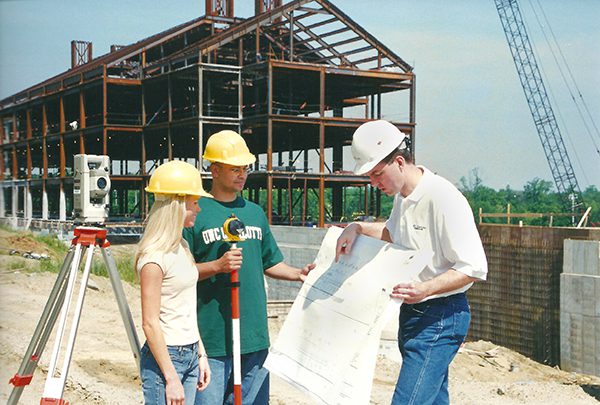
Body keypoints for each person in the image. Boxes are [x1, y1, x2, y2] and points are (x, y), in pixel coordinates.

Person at [335, 120, 488, 405]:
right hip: (414, 313)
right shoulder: (403, 199)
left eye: (377, 174)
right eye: (369, 176)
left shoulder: (442, 198)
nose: (374, 183)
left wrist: (427, 288)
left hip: (442, 315)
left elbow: (473, 266)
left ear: (400, 162)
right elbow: (393, 234)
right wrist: (356, 227)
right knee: (433, 399)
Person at [183, 130, 315, 405]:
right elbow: (180, 273)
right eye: (235, 169)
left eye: (245, 168)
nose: (242, 174)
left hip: (254, 337)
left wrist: (297, 274)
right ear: (215, 170)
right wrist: (217, 266)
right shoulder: (196, 212)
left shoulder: (255, 212)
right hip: (212, 338)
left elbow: (270, 261)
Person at [136, 160, 212, 405]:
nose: (198, 209)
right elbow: (149, 323)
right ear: (177, 205)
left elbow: (186, 307)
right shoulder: (154, 258)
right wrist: (171, 378)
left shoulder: (182, 247)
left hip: (189, 352)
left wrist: (200, 353)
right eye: (195, 203)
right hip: (166, 359)